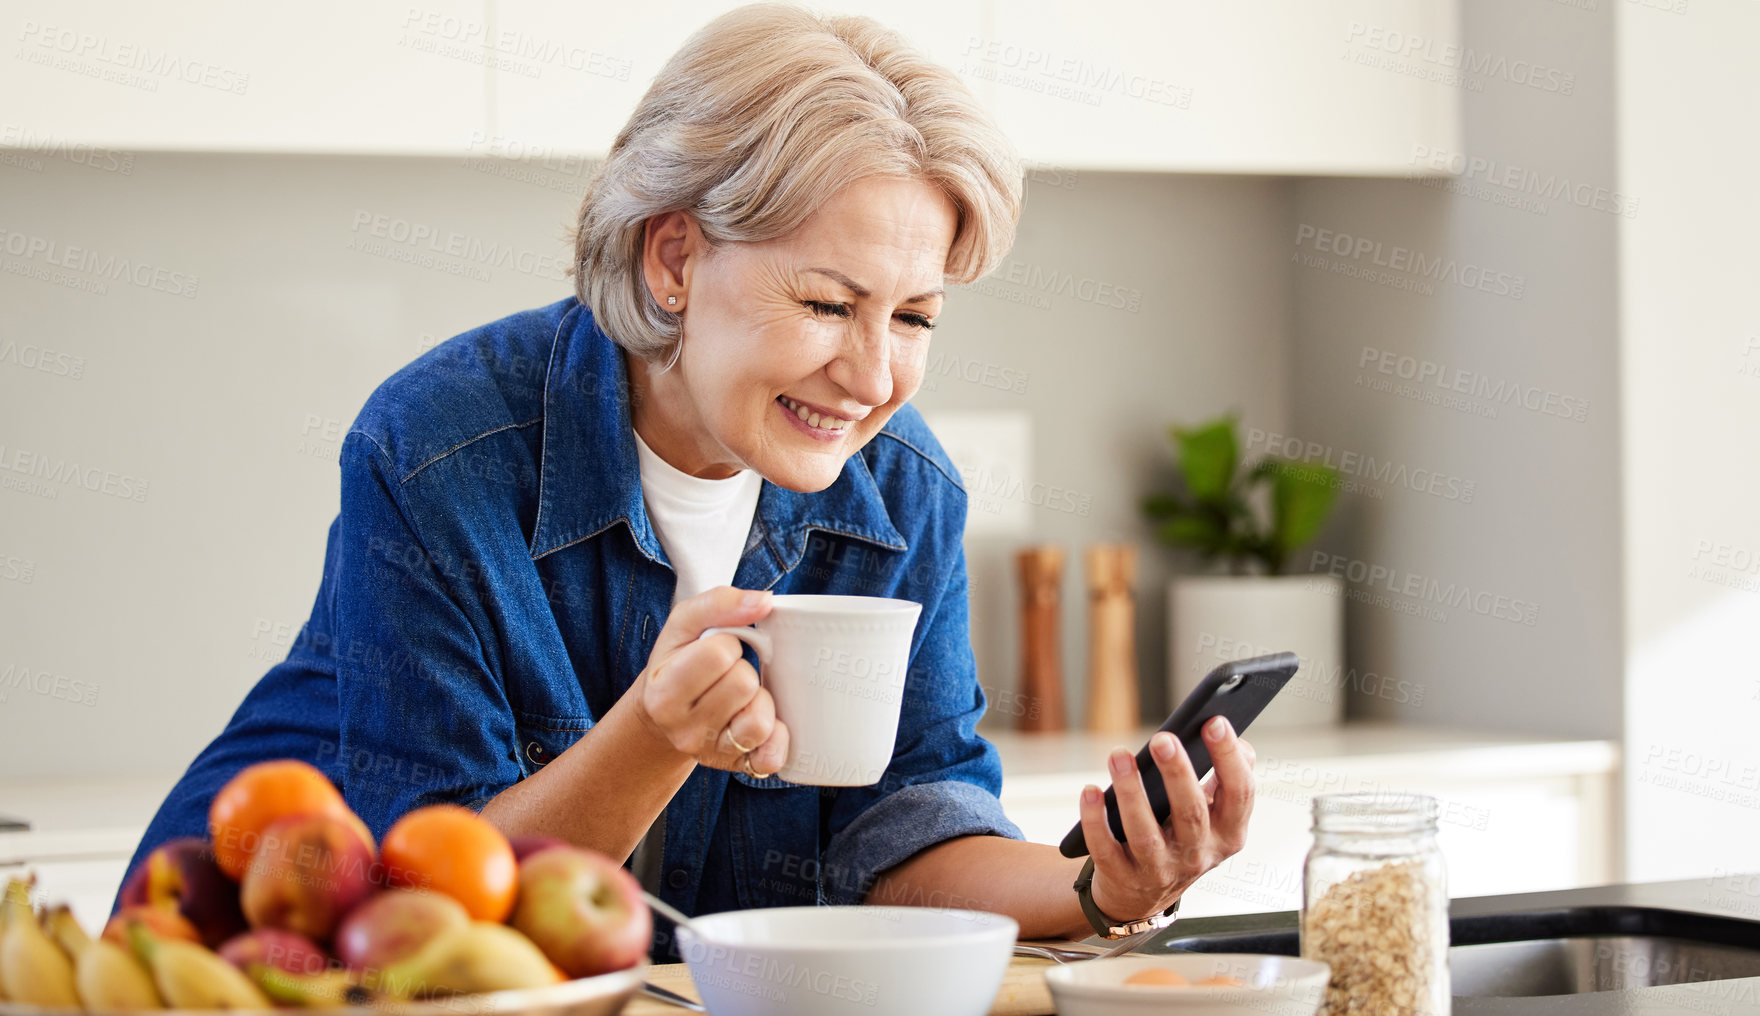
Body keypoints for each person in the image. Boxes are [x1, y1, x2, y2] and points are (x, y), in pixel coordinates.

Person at [119, 3, 1255, 951]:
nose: (870, 375)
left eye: (912, 316)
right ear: (674, 258)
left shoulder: (903, 496)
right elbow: (433, 901)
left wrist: (1101, 885)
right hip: (268, 986)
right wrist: (655, 731)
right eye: (825, 303)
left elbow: (905, 828)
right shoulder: (437, 452)